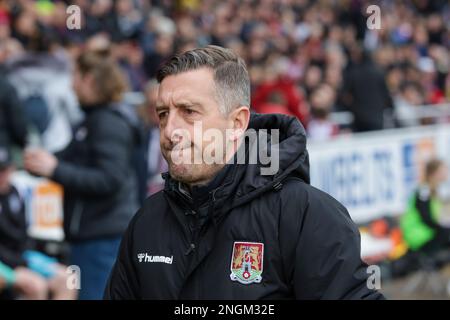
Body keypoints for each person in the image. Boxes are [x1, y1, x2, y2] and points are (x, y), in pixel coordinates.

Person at [104, 45, 383, 300]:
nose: (170, 130)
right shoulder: (146, 221)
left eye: (189, 111)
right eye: (163, 113)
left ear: (237, 122)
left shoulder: (306, 214)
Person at [23, 52, 141, 300]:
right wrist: (38, 163)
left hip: (102, 237)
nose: (71, 84)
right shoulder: (91, 121)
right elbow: (66, 158)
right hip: (91, 235)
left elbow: (110, 178)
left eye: (75, 76)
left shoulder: (107, 122)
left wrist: (54, 169)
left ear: (89, 79)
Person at [0, 145, 75, 300]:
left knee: (69, 279)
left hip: (22, 256)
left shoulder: (16, 193)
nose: (2, 176)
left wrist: (25, 259)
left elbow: (22, 234)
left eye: (4, 170)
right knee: (37, 286)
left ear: (12, 169)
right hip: (7, 261)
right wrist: (19, 263)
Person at [401, 159, 450, 253]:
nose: (445, 174)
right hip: (418, 235)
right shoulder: (424, 191)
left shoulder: (434, 191)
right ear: (433, 174)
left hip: (427, 233)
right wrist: (443, 228)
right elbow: (426, 218)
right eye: (442, 171)